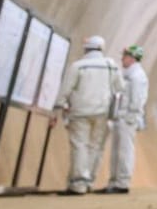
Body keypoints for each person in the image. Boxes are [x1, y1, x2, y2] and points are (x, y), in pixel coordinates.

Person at [54, 35, 124, 196]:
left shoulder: (78, 66)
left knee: (80, 146)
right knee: (96, 147)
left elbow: (65, 89)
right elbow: (120, 88)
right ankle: (89, 181)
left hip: (80, 112)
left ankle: (78, 183)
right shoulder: (111, 66)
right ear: (101, 48)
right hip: (103, 113)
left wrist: (58, 107)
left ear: (86, 49)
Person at [105, 44, 150, 194]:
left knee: (125, 151)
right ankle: (114, 181)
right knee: (117, 152)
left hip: (127, 118)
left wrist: (131, 117)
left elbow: (137, 100)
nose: (122, 59)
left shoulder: (136, 76)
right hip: (121, 117)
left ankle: (122, 183)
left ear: (131, 58)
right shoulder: (128, 74)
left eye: (124, 56)